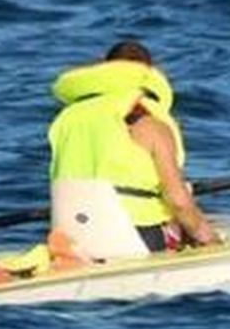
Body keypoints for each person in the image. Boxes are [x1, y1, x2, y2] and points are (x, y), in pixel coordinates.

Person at [47, 40, 220, 265]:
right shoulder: (150, 126)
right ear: (148, 77)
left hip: (72, 240)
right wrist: (211, 241)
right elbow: (178, 202)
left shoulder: (71, 119)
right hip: (135, 240)